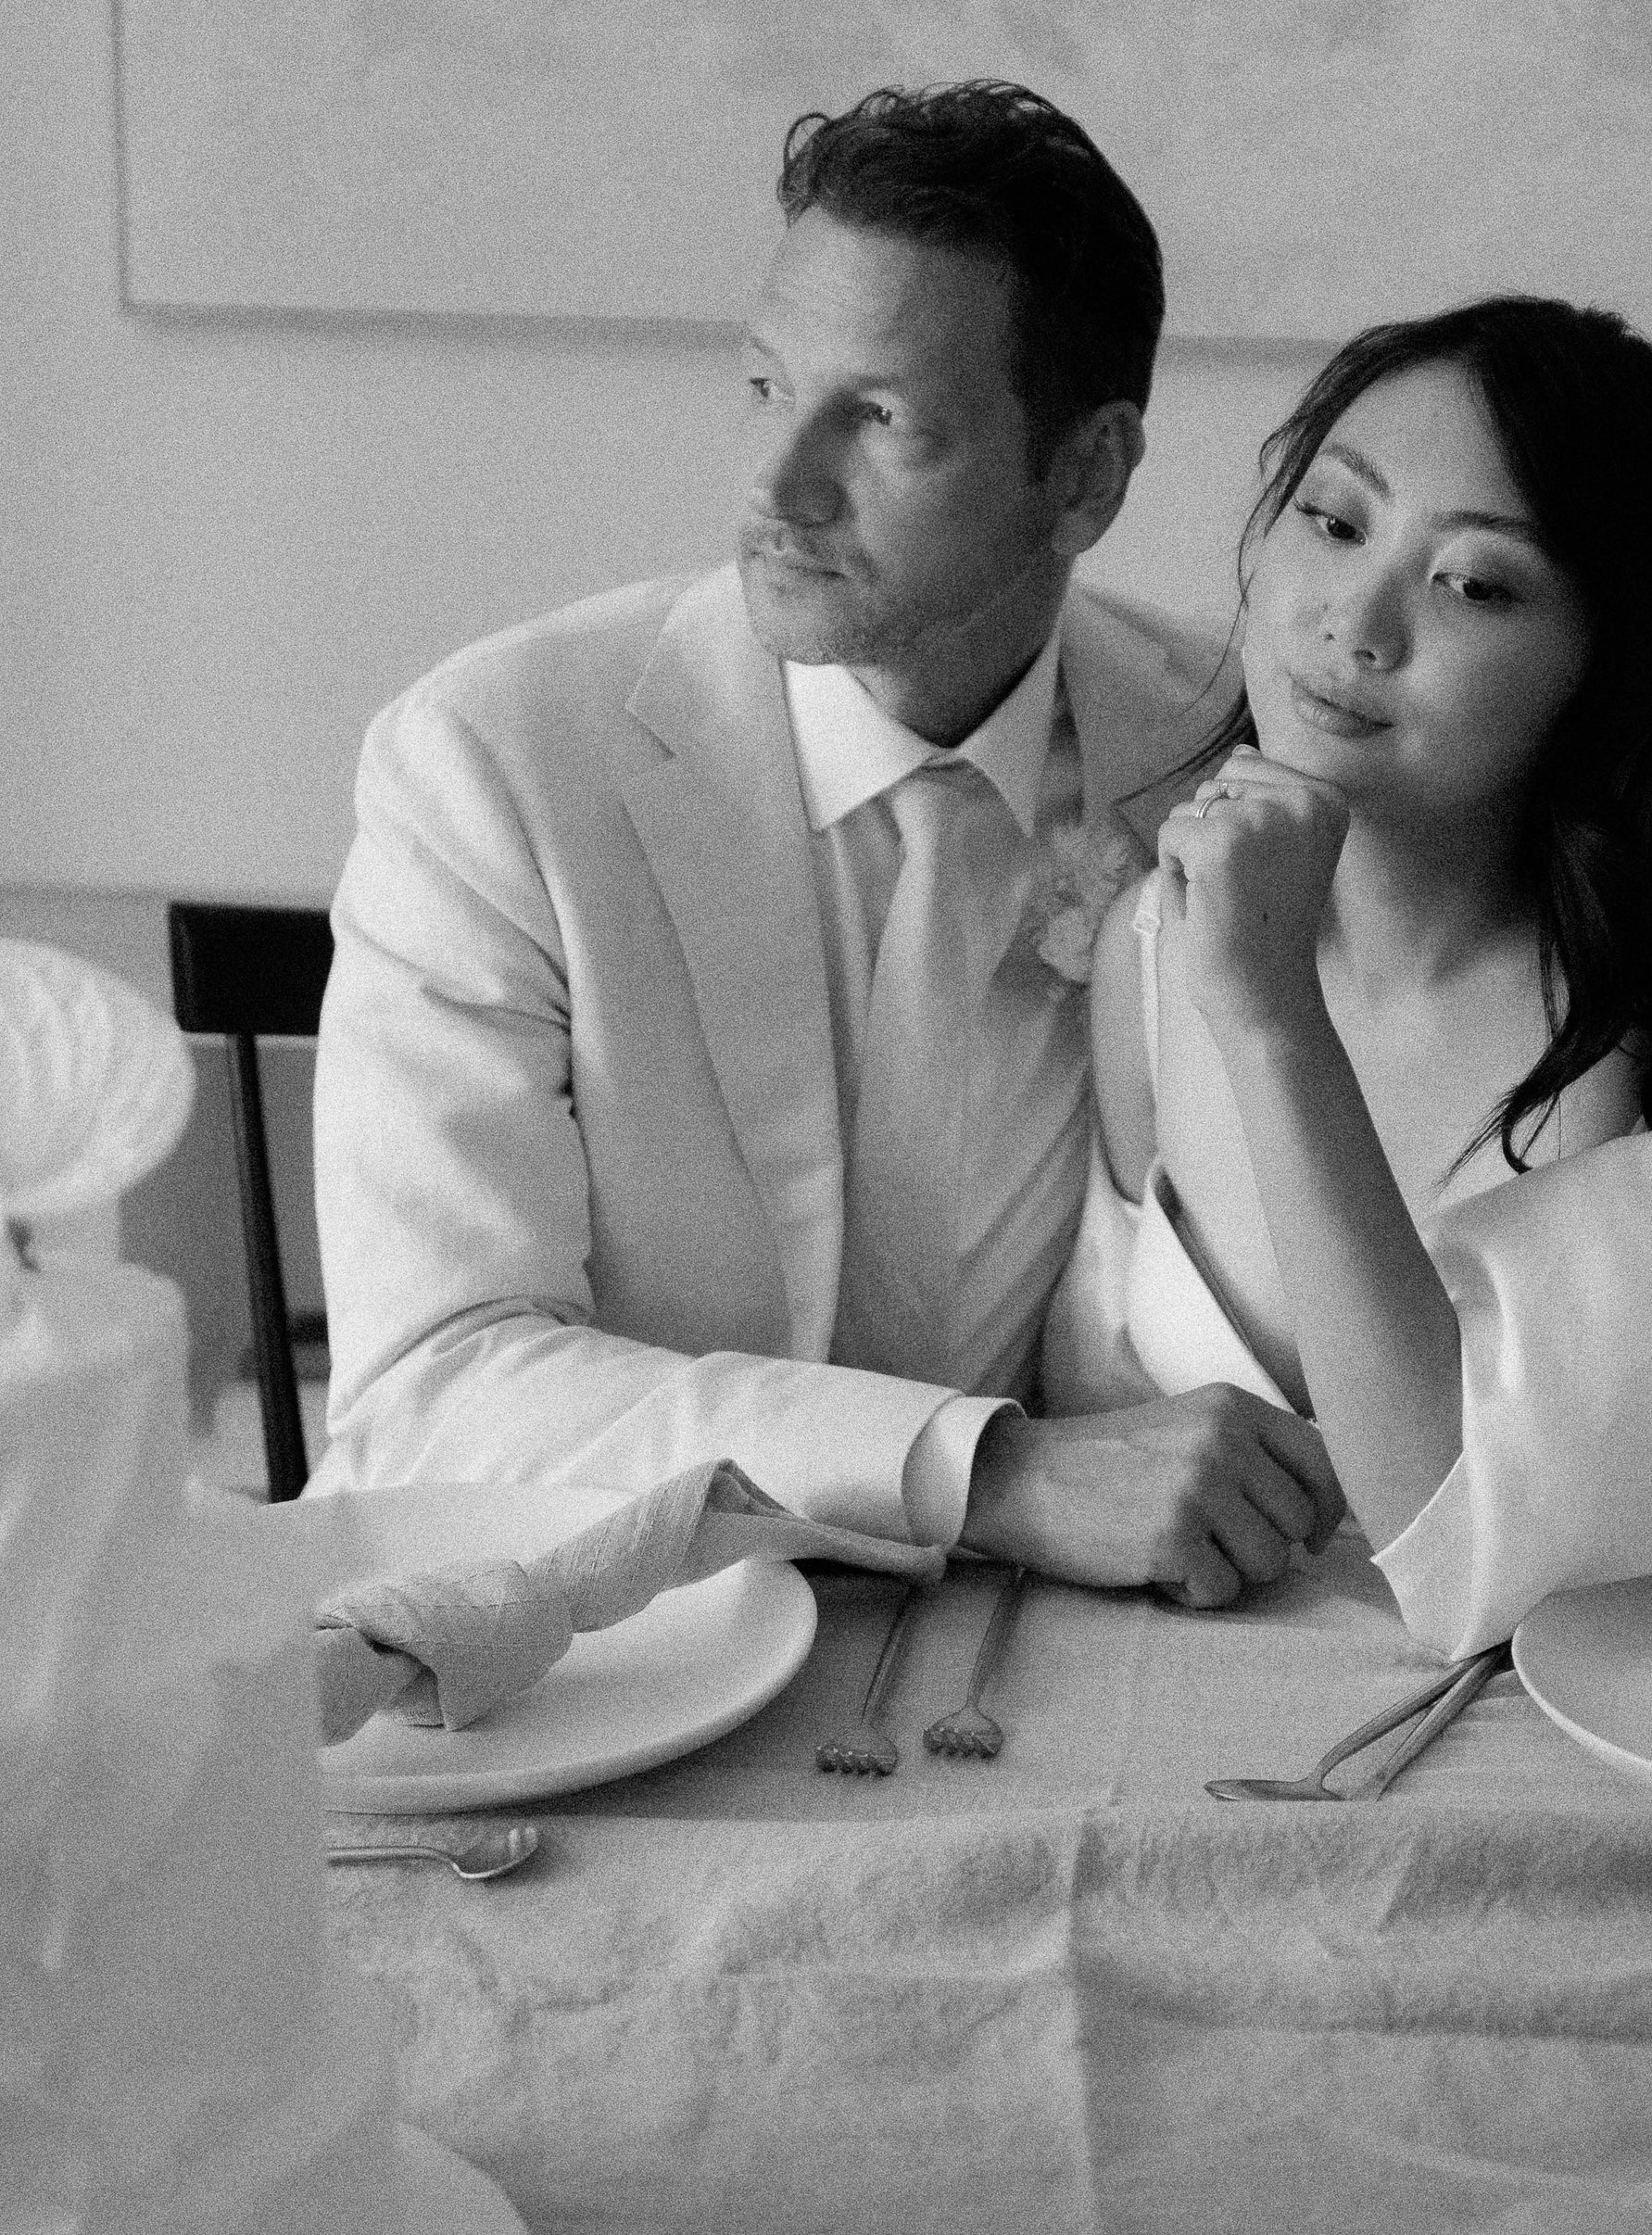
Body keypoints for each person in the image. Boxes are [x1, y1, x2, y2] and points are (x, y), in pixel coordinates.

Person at [311, 82, 1344, 1604]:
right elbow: (432, 1391)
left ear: (1087, 476)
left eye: (877, 419)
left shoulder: (1223, 746)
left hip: (1051, 1656)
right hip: (588, 1643)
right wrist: (990, 1473)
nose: (776, 486)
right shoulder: (495, 766)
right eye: (761, 387)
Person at [1046, 296, 1652, 1659]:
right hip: (1219, 1721)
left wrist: (1267, 1018)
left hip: (1628, 1743)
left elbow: (1449, 1526)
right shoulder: (1150, 946)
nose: (1356, 623)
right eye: (1333, 519)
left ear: (1611, 661)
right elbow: (1114, 1430)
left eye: (1475, 584)